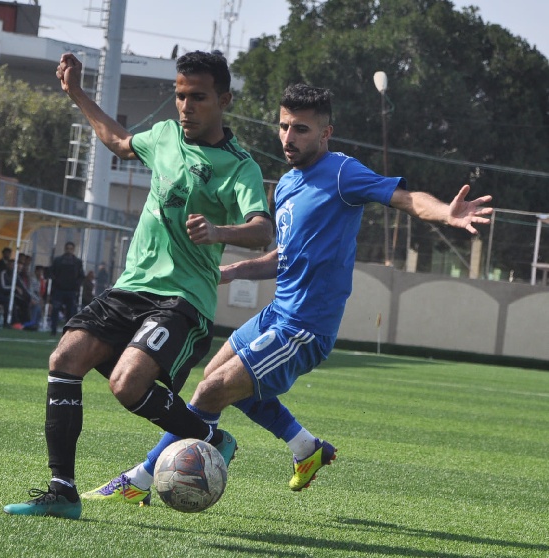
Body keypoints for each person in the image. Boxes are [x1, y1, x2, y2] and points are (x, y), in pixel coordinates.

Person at [83, 83, 494, 507]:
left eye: (300, 129)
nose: (288, 137)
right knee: (213, 380)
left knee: (211, 394)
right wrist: (230, 272)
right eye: (283, 127)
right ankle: (305, 448)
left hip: (304, 327)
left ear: (325, 133)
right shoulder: (287, 186)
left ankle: (139, 480)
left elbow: (404, 198)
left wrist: (445, 211)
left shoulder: (341, 172)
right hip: (277, 314)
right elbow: (286, 258)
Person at [3, 50, 273, 519]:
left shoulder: (239, 165)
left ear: (224, 100)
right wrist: (77, 93)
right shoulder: (165, 135)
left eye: (198, 98)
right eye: (179, 96)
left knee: (127, 385)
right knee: (64, 358)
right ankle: (62, 491)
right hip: (131, 287)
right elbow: (121, 142)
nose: (185, 107)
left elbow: (261, 229)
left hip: (183, 299)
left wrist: (219, 232)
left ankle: (212, 438)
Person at [49, 241, 84, 336]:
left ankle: (67, 332)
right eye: (67, 248)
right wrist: (56, 282)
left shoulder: (77, 262)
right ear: (65, 249)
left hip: (71, 291)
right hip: (59, 290)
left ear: (73, 250)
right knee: (55, 311)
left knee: (71, 312)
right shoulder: (58, 260)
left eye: (71, 249)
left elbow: (81, 276)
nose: (69, 251)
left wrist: (76, 285)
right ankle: (53, 330)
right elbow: (51, 272)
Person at [0, 257, 31, 325]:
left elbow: (22, 286)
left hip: (12, 295)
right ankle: (14, 322)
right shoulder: (3, 273)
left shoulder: (15, 275)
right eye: (10, 265)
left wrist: (27, 295)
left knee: (25, 301)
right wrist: (14, 288)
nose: (12, 266)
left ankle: (25, 322)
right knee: (11, 302)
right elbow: (2, 287)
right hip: (2, 294)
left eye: (13, 265)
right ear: (7, 265)